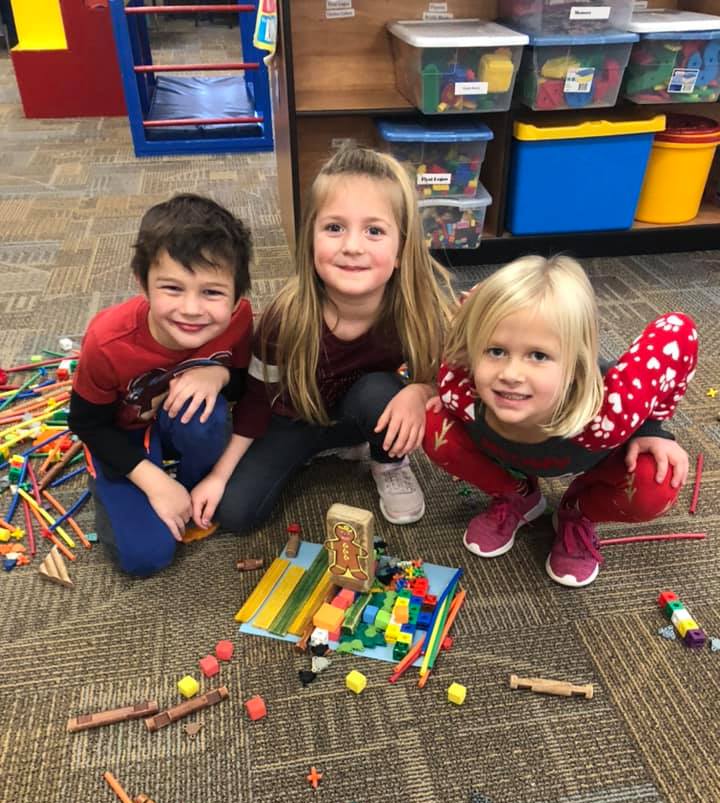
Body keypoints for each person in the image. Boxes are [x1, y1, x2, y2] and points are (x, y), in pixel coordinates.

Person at [191, 147, 455, 532]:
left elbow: (444, 379)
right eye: (334, 228)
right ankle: (323, 448)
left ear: (401, 248)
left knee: (384, 392)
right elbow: (255, 401)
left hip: (360, 409)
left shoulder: (416, 308)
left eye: (375, 231)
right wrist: (218, 475)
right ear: (310, 238)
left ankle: (387, 460)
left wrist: (419, 391)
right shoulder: (285, 317)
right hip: (292, 420)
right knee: (235, 513)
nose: (352, 246)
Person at [423, 255, 698, 587]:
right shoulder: (459, 385)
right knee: (428, 421)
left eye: (538, 356)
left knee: (658, 480)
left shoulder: (611, 410)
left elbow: (676, 331)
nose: (510, 374)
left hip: (594, 453)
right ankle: (518, 495)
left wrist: (656, 428)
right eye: (495, 351)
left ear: (577, 364)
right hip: (513, 455)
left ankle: (577, 512)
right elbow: (460, 331)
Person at [69, 193, 253, 576]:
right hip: (121, 436)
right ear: (143, 283)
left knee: (208, 414)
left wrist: (219, 374)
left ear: (237, 296)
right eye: (172, 288)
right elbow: (87, 424)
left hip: (180, 422)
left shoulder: (238, 319)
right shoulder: (107, 340)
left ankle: (192, 486)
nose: (191, 309)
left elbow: (242, 386)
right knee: (146, 557)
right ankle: (124, 489)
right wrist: (155, 483)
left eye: (212, 292)